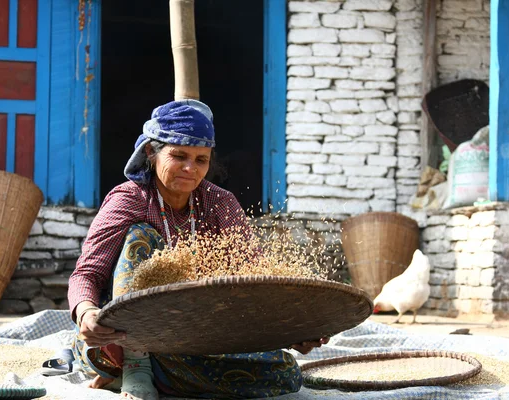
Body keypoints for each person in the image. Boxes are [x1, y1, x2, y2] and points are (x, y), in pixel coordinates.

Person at [67, 100, 328, 400]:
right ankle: (136, 365)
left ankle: (163, 370)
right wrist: (86, 313)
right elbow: (87, 273)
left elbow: (255, 276)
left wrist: (292, 329)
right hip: (116, 340)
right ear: (151, 153)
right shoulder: (129, 199)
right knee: (139, 235)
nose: (191, 168)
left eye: (201, 159)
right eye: (179, 155)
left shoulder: (220, 203)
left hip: (190, 337)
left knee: (286, 373)